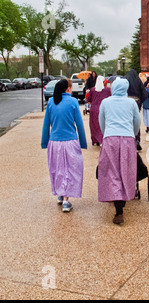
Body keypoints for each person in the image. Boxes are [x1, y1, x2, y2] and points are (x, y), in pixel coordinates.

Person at [98, 78, 141, 225]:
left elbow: (101, 122)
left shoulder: (106, 102)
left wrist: (106, 135)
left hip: (110, 138)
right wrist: (132, 134)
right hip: (127, 138)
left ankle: (118, 209)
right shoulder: (131, 103)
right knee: (126, 170)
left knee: (112, 172)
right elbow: (137, 122)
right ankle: (124, 198)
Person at [41, 79, 87, 213]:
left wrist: (45, 142)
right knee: (70, 170)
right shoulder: (73, 102)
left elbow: (46, 124)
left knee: (57, 168)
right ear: (68, 88)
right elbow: (79, 124)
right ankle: (66, 201)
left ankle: (60, 194)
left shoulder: (51, 102)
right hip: (70, 141)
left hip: (54, 142)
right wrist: (83, 142)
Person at [125, 69, 148, 151]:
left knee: (128, 121)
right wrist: (140, 101)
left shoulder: (126, 80)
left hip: (127, 102)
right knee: (136, 120)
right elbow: (144, 92)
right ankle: (137, 140)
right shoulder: (137, 80)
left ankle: (129, 141)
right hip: (136, 102)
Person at [86, 75, 112, 146]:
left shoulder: (92, 90)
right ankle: (102, 139)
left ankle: (95, 140)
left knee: (94, 126)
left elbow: (88, 100)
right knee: (103, 125)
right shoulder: (107, 90)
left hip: (94, 109)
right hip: (104, 109)